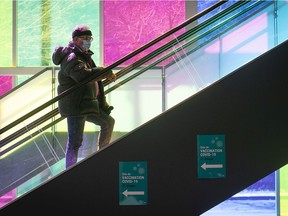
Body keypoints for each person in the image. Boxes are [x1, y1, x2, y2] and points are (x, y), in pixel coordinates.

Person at [52, 25, 116, 168]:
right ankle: (69, 171)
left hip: (86, 105)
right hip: (76, 106)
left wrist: (102, 104)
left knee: (107, 122)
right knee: (75, 141)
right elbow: (83, 76)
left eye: (90, 38)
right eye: (85, 39)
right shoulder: (71, 57)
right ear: (75, 40)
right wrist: (105, 71)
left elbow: (96, 82)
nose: (88, 41)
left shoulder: (84, 56)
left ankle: (101, 160)